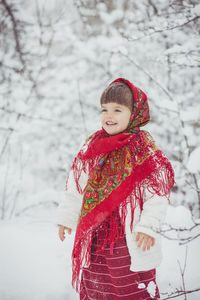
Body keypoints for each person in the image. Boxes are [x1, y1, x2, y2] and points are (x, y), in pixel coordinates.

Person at [56, 78, 175, 299]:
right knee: (96, 283)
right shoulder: (94, 146)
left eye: (117, 110)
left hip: (128, 236)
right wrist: (66, 217)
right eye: (104, 109)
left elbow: (157, 195)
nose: (108, 116)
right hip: (96, 234)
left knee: (129, 286)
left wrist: (148, 227)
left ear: (134, 113)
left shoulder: (144, 150)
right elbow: (76, 184)